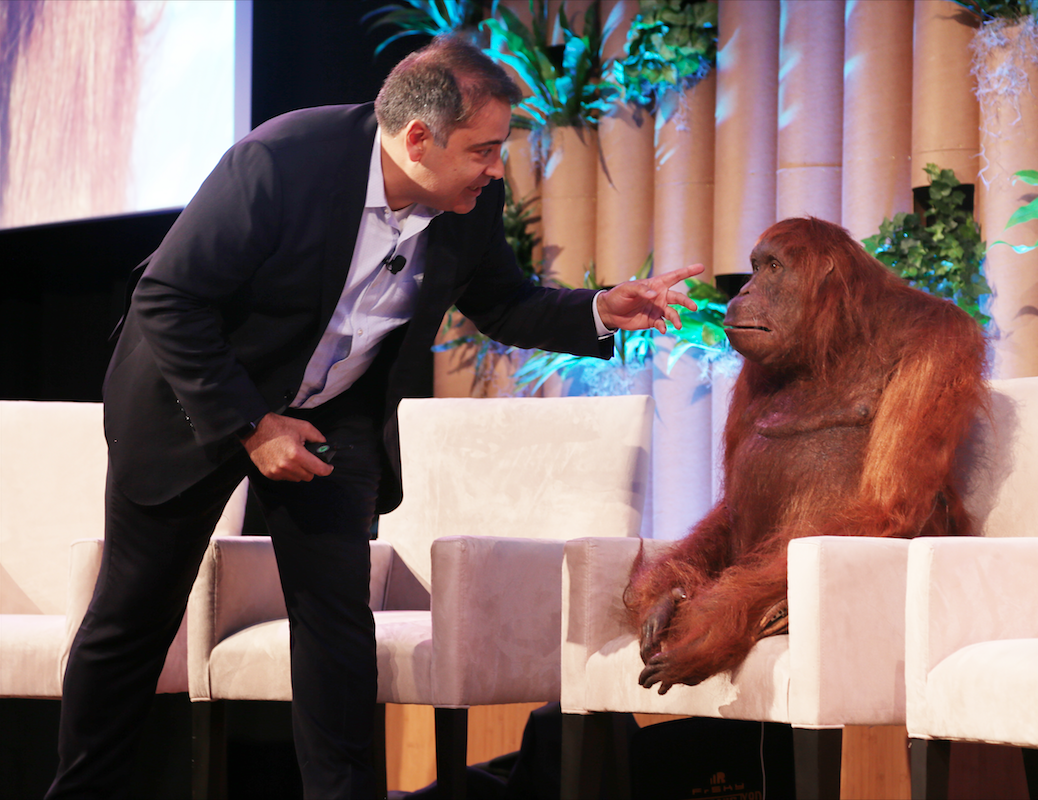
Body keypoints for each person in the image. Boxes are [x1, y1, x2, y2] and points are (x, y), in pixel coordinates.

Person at [48, 35, 701, 799]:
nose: (497, 169)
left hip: (331, 413)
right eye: (484, 150)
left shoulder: (463, 201)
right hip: (190, 402)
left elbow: (502, 301)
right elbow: (166, 298)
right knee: (134, 614)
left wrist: (599, 309)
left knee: (336, 624)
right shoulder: (282, 162)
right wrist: (254, 427)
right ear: (417, 137)